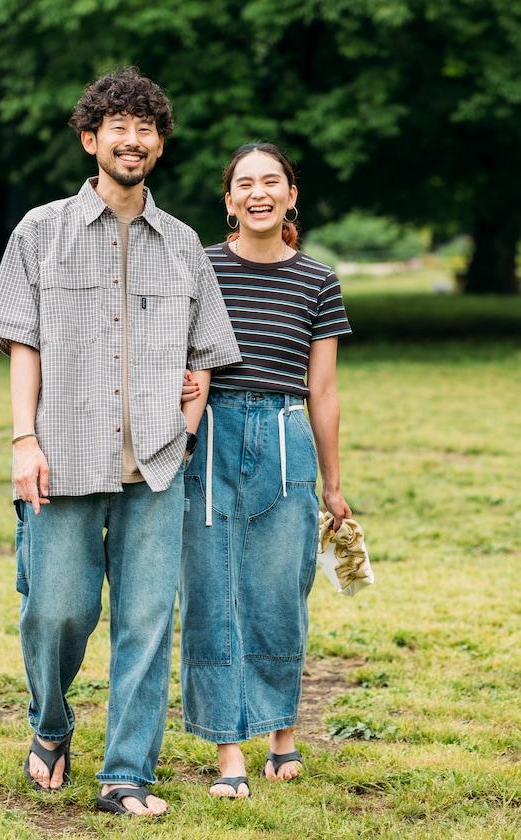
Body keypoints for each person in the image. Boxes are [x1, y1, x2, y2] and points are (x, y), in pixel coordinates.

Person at [0, 68, 241, 817]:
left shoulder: (185, 244)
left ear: (159, 143)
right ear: (92, 140)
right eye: (118, 127)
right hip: (62, 455)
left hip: (157, 466)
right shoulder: (40, 231)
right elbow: (21, 342)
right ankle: (52, 724)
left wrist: (187, 429)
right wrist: (24, 439)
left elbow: (205, 353)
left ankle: (127, 773)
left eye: (147, 128)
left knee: (147, 622)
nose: (134, 139)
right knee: (55, 610)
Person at [179, 143, 352, 799]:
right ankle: (230, 752)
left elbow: (325, 392)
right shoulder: (199, 267)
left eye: (270, 181)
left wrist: (332, 486)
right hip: (213, 432)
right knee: (211, 594)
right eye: (243, 183)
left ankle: (280, 728)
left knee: (281, 593)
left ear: (290, 195)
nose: (258, 192)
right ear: (228, 201)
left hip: (285, 438)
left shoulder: (318, 280)